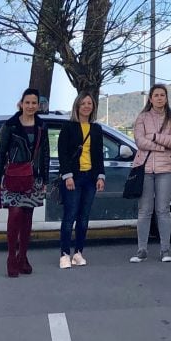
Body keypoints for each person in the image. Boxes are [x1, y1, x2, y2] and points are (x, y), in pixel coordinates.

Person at [0, 87, 49, 278]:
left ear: (38, 105)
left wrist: (45, 179)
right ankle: (11, 258)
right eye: (27, 102)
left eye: (34, 103)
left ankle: (23, 256)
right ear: (21, 104)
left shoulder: (42, 126)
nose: (30, 106)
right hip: (13, 177)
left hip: (33, 178)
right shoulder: (11, 125)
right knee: (14, 216)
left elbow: (45, 154)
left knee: (27, 218)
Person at [129, 84, 171, 263]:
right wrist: (162, 146)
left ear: (166, 98)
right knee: (144, 211)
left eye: (162, 95)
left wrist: (154, 137)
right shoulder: (142, 117)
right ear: (150, 98)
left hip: (166, 169)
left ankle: (165, 250)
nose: (159, 98)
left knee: (163, 210)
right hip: (145, 169)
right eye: (156, 95)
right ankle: (141, 250)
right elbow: (139, 141)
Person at [56, 91, 106, 269]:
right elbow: (63, 153)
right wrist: (67, 175)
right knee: (69, 217)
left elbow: (99, 154)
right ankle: (64, 254)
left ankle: (78, 253)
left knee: (84, 218)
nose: (86, 106)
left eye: (90, 104)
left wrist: (101, 176)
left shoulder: (96, 129)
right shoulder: (68, 127)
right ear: (77, 106)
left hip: (90, 178)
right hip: (73, 178)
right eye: (83, 103)